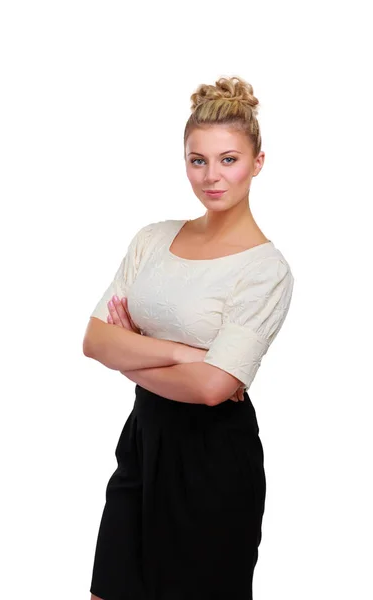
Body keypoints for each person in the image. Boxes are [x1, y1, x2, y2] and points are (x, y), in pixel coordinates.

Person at [83, 75, 295, 600]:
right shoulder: (152, 239)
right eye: (197, 160)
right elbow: (93, 339)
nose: (211, 177)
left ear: (258, 162)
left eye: (229, 159)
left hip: (214, 463)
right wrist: (182, 353)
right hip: (141, 442)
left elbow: (211, 389)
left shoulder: (267, 270)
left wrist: (128, 354)